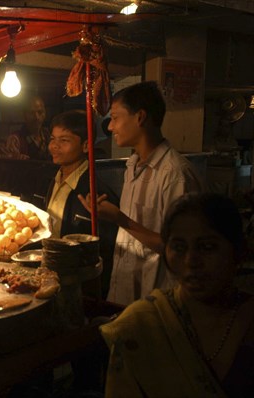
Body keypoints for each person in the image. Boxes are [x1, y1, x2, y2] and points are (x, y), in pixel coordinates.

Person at [100, 193, 254, 397]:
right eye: (179, 247)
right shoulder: (141, 324)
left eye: (207, 247)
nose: (191, 260)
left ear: (239, 253)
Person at [79, 81, 203, 305]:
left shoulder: (175, 174)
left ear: (140, 117)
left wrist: (120, 219)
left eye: (116, 118)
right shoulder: (132, 166)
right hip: (125, 291)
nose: (110, 127)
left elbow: (180, 248)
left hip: (158, 299)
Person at [45, 109, 119, 298]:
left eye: (64, 140)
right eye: (53, 139)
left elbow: (108, 250)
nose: (54, 146)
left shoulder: (96, 192)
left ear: (86, 145)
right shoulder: (52, 180)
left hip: (79, 287)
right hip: (51, 277)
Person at [0, 95, 50, 161]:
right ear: (24, 115)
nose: (36, 117)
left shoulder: (48, 136)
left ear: (45, 113)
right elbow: (8, 164)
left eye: (40, 112)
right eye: (32, 113)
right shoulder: (15, 139)